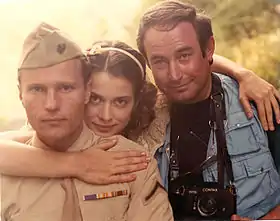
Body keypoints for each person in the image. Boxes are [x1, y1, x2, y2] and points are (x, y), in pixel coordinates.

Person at [0, 22, 173, 221]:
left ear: (85, 90)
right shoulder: (13, 162)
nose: (51, 104)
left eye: (65, 88)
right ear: (20, 93)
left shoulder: (136, 161)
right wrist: (76, 163)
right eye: (37, 89)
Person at [135, 0, 280, 220]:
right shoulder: (140, 118)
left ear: (209, 48)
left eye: (184, 56)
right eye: (160, 61)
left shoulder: (259, 103)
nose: (174, 75)